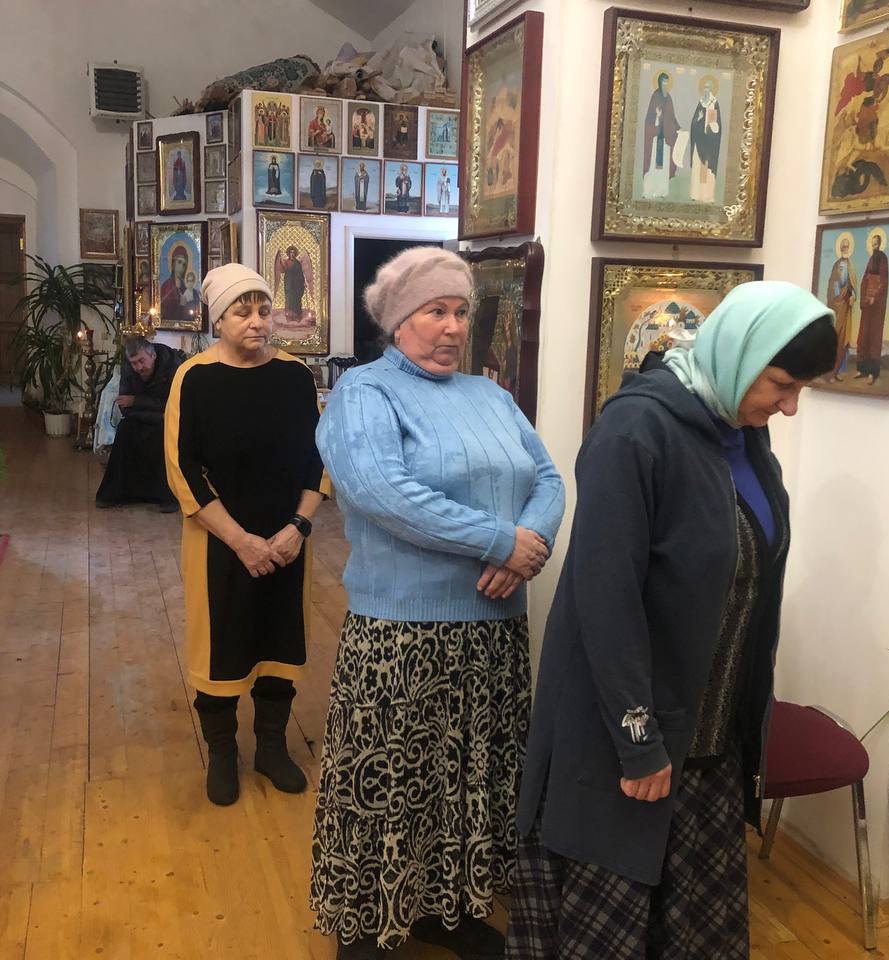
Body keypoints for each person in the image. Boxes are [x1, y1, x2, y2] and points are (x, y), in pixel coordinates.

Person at [506, 281, 838, 960]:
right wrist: (639, 740)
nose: (790, 407)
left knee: (688, 932)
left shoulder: (742, 435)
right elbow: (605, 598)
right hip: (627, 737)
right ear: (740, 353)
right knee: (611, 926)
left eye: (802, 389)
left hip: (707, 739)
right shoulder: (636, 432)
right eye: (782, 384)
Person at [310, 247, 566, 960]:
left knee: (470, 780)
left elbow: (548, 479)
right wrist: (499, 542)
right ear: (399, 322)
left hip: (493, 630)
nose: (453, 327)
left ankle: (449, 909)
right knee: (391, 780)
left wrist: (528, 545)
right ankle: (366, 925)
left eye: (461, 311)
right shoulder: (366, 393)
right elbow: (382, 492)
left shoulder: (491, 396)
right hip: (401, 634)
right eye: (435, 312)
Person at [164, 262, 327, 807]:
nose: (257, 321)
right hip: (219, 541)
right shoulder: (195, 378)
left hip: (287, 540)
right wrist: (241, 541)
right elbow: (183, 470)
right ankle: (221, 752)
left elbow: (318, 457)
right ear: (218, 319)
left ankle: (272, 748)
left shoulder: (295, 377)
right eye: (242, 312)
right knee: (222, 646)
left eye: (263, 309)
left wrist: (298, 527)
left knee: (280, 639)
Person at [96, 338, 184, 512]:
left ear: (153, 356)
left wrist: (136, 401)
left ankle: (167, 497)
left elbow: (173, 405)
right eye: (134, 363)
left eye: (142, 361)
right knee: (125, 430)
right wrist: (154, 412)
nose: (138, 367)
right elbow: (125, 407)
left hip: (167, 420)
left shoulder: (173, 366)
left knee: (164, 434)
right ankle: (116, 493)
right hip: (149, 417)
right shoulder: (129, 368)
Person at [855, 232, 889, 384]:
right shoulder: (870, 259)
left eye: (876, 243)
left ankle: (872, 373)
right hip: (867, 303)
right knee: (864, 335)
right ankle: (862, 369)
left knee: (874, 336)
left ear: (880, 244)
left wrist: (875, 296)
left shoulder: (882, 258)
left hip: (876, 305)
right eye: (872, 243)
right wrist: (863, 297)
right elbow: (865, 278)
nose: (874, 246)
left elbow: (883, 280)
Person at [642, 71, 679, 199]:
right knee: (655, 165)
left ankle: (662, 191)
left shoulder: (668, 97)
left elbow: (672, 116)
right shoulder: (655, 96)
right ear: (659, 82)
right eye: (664, 82)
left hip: (666, 137)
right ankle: (650, 190)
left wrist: (678, 128)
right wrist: (657, 117)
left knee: (664, 166)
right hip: (657, 136)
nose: (665, 84)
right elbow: (650, 117)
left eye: (667, 82)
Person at [826, 235, 856, 381]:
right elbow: (834, 284)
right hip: (837, 307)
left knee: (843, 340)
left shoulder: (849, 265)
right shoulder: (837, 265)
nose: (845, 248)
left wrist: (853, 295)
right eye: (843, 246)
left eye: (847, 246)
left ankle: (837, 371)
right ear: (840, 248)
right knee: (835, 339)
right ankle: (830, 373)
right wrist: (839, 296)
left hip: (846, 307)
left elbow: (852, 285)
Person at [688, 76, 723, 203]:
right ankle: (696, 194)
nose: (706, 90)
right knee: (698, 167)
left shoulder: (714, 103)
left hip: (709, 143)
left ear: (712, 89)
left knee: (707, 169)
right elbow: (694, 123)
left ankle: (707, 196)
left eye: (708, 87)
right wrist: (698, 118)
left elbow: (717, 125)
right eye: (705, 87)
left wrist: (713, 127)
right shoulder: (701, 102)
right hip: (699, 141)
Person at [159, 245, 190, 323]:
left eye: (184, 264)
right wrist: (181, 305)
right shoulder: (166, 286)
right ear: (173, 263)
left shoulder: (185, 288)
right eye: (179, 262)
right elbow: (164, 313)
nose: (181, 267)